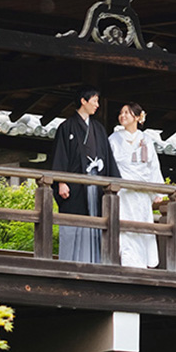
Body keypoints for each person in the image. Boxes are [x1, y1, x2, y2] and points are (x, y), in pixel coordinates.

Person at [50, 87, 120, 263]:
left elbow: (108, 158)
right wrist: (61, 181)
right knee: (74, 221)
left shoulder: (99, 129)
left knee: (96, 221)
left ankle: (95, 263)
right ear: (83, 101)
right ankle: (70, 263)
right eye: (94, 100)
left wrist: (114, 182)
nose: (97, 105)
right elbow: (61, 154)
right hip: (75, 185)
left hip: (95, 185)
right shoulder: (66, 127)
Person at [108, 102, 164, 268]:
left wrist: (157, 191)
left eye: (127, 112)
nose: (122, 116)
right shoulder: (114, 139)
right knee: (124, 226)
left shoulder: (146, 139)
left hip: (141, 190)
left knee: (142, 224)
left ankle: (141, 263)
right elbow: (111, 165)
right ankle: (125, 261)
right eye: (121, 112)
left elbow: (153, 166)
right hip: (123, 190)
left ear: (138, 117)